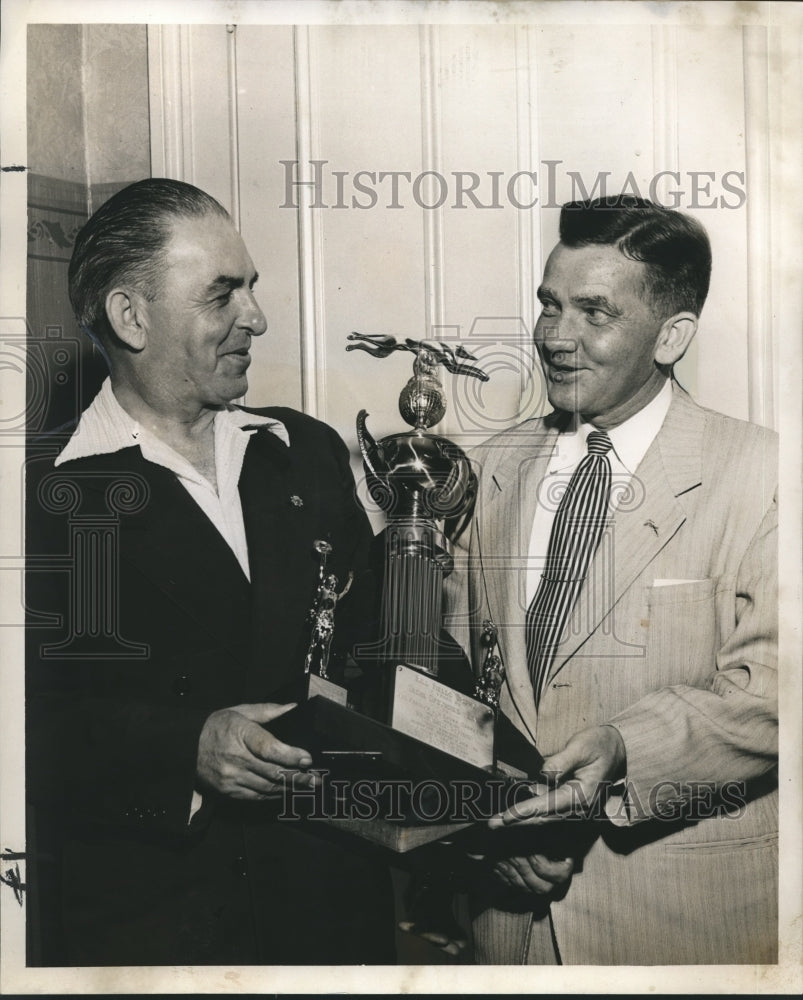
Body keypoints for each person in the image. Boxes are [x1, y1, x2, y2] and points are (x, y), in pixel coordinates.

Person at [25, 178, 396, 966]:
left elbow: (378, 650)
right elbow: (23, 726)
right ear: (130, 317)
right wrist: (183, 748)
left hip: (330, 912)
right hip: (157, 929)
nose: (255, 318)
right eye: (222, 295)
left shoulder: (304, 450)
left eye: (252, 289)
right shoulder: (43, 501)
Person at [444, 195, 778, 964]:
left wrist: (623, 748)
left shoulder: (763, 474)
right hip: (507, 925)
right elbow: (456, 682)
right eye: (548, 305)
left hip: (683, 931)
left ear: (672, 336)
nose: (555, 338)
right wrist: (485, 827)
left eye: (594, 311)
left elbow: (775, 692)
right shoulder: (490, 466)